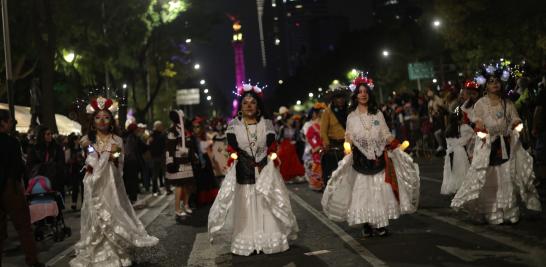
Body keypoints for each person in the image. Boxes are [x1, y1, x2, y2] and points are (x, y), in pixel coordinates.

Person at [322, 74, 420, 237]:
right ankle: (366, 223)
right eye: (359, 91)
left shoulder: (378, 114)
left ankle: (380, 224)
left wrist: (396, 145)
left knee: (380, 191)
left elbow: (385, 133)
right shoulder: (351, 116)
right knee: (363, 192)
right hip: (360, 161)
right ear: (356, 95)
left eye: (365, 91)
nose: (362, 94)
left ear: (369, 94)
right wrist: (347, 147)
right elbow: (349, 137)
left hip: (379, 158)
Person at [208, 83, 298, 256]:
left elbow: (271, 145)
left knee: (267, 202)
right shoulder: (234, 126)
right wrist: (237, 158)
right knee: (246, 205)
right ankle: (248, 240)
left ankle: (268, 240)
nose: (249, 105)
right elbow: (232, 149)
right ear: (240, 107)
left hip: (265, 170)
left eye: (252, 102)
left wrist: (269, 156)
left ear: (258, 106)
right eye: (245, 103)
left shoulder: (267, 124)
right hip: (243, 171)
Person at [70, 97, 158, 266]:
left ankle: (116, 251)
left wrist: (111, 155)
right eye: (98, 117)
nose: (102, 121)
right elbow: (90, 158)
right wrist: (96, 156)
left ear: (111, 120)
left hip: (111, 184)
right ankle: (98, 252)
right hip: (94, 184)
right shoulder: (88, 140)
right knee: (96, 216)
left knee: (114, 214)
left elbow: (117, 160)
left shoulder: (117, 140)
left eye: (106, 117)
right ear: (93, 120)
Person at [451, 63, 542, 224]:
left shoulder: (507, 102)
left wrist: (516, 124)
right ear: (485, 85)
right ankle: (492, 212)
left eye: (497, 81)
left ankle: (509, 212)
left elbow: (514, 117)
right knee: (490, 177)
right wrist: (480, 128)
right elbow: (476, 120)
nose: (495, 84)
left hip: (506, 144)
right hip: (487, 146)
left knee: (506, 175)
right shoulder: (480, 104)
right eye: (491, 81)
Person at [0, 109, 44, 267]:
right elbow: (18, 167)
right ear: (3, 123)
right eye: (10, 121)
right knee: (24, 226)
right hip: (11, 187)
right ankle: (32, 261)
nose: (12, 123)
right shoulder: (12, 142)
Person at [165, 110, 198, 217]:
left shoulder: (185, 130)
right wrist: (170, 161)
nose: (183, 119)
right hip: (178, 161)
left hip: (187, 160)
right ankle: (177, 208)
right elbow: (169, 147)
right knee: (179, 185)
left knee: (188, 184)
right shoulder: (173, 131)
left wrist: (193, 156)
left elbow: (190, 144)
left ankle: (186, 204)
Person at [320, 84, 350, 187]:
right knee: (332, 171)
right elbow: (323, 131)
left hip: (349, 144)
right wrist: (327, 144)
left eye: (342, 97)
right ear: (333, 99)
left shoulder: (350, 110)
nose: (340, 99)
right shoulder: (327, 112)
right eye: (337, 97)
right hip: (334, 146)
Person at [26, 126, 66, 198]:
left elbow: (61, 163)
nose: (50, 136)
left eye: (51, 134)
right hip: (39, 181)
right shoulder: (35, 149)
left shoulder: (57, 148)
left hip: (55, 181)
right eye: (47, 134)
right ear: (42, 135)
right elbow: (30, 165)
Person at [441, 110, 474, 195]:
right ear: (459, 119)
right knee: (461, 170)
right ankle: (462, 189)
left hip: (450, 153)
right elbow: (473, 136)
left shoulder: (448, 129)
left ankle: (453, 188)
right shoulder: (465, 127)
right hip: (460, 152)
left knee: (452, 171)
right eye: (462, 117)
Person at [277, 115, 306, 183]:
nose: (292, 121)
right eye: (290, 119)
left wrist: (295, 141)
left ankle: (291, 176)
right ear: (287, 120)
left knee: (292, 161)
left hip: (292, 146)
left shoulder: (294, 128)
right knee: (285, 161)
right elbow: (278, 138)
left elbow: (297, 137)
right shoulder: (283, 128)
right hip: (284, 146)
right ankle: (285, 177)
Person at [305, 102, 327, 191]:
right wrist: (316, 146)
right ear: (316, 114)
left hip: (328, 149)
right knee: (319, 165)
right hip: (318, 151)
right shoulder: (312, 127)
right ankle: (319, 183)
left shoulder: (326, 124)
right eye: (322, 112)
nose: (324, 113)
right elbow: (311, 138)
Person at [149, 121, 168, 196]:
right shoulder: (162, 135)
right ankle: (167, 189)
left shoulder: (151, 135)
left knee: (155, 174)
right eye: (161, 126)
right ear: (158, 127)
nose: (162, 127)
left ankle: (155, 190)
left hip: (155, 157)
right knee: (164, 173)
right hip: (160, 156)